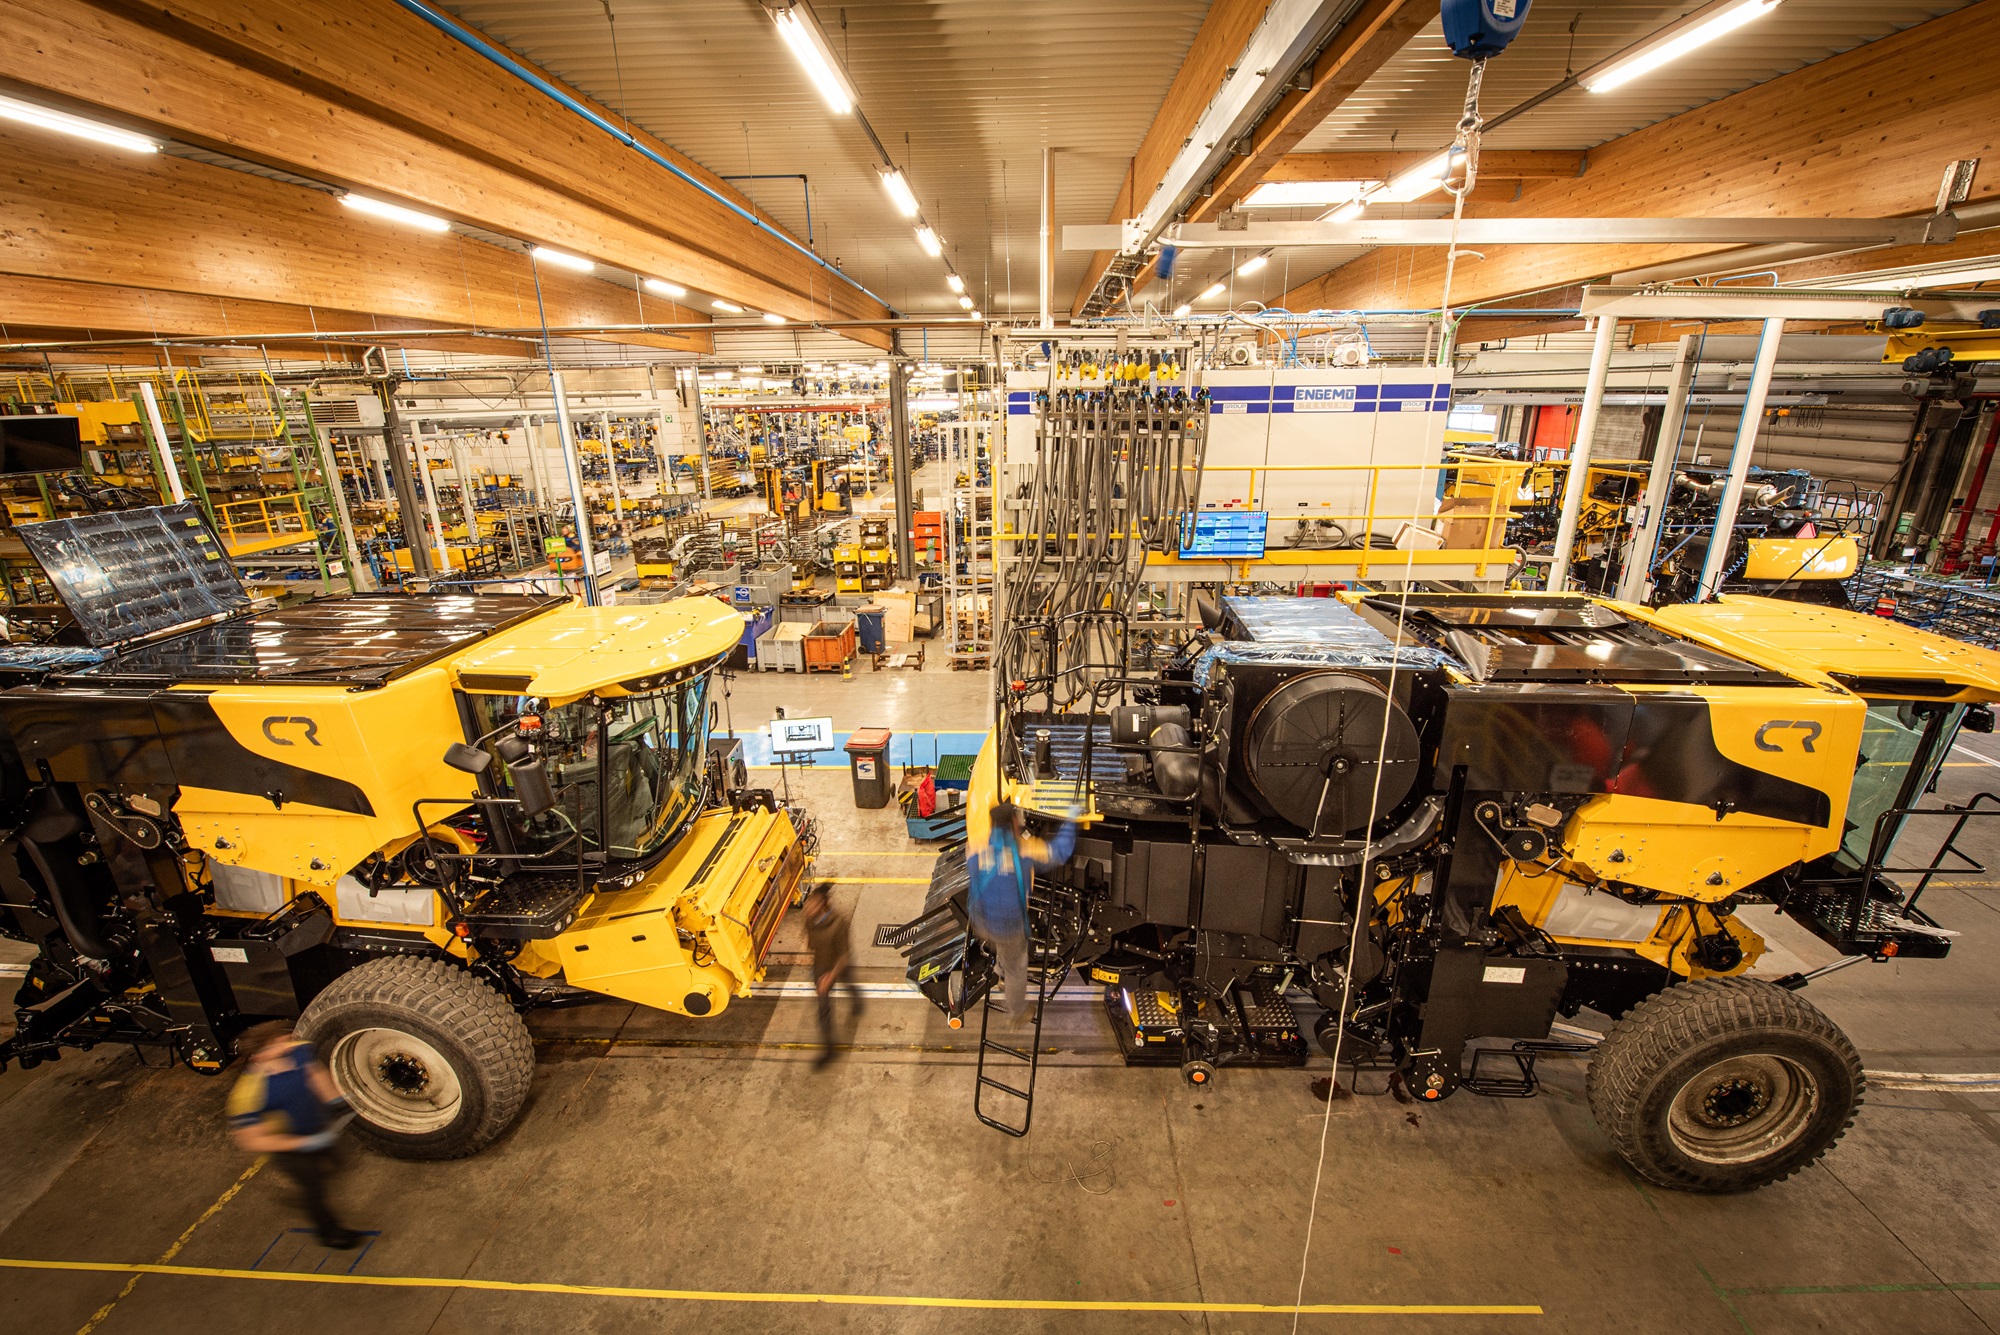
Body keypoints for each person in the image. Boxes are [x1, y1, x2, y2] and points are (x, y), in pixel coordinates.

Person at [227, 1021, 360, 1249]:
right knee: (313, 1189)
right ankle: (329, 1232)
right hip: (290, 1146)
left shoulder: (297, 1051)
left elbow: (314, 1073)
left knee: (337, 1162)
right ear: (261, 1056)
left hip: (318, 1127)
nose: (289, 1045)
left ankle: (316, 1179)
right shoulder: (248, 1094)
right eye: (280, 1045)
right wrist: (304, 1143)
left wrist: (336, 1100)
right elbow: (251, 1139)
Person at [967, 802, 1078, 1016]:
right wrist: (1070, 821)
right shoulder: (1024, 852)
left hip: (982, 923)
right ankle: (1017, 1013)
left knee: (1002, 945)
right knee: (1017, 969)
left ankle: (1000, 970)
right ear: (1014, 823)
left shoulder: (977, 849)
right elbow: (1059, 852)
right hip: (1008, 926)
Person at [803, 882, 861, 1068]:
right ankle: (829, 1050)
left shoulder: (838, 924)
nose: (808, 908)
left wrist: (831, 976)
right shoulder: (809, 921)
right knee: (824, 1010)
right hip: (821, 967)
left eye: (812, 905)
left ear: (823, 906)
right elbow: (811, 942)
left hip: (839, 966)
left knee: (849, 984)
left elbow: (844, 954)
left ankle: (857, 1002)